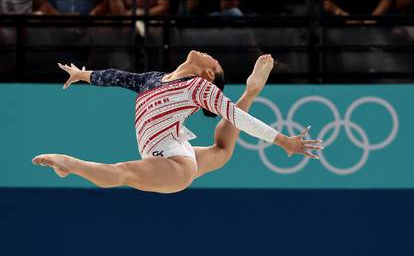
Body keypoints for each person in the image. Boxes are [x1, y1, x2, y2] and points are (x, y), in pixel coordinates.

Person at [32, 51, 323, 193]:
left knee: (120, 172)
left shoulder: (199, 88)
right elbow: (117, 76)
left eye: (215, 62)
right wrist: (83, 75)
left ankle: (68, 163)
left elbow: (236, 117)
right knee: (222, 152)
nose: (210, 55)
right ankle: (252, 90)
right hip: (174, 151)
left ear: (209, 75)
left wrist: (284, 140)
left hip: (175, 164)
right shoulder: (152, 79)